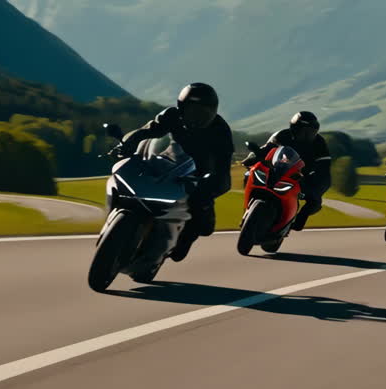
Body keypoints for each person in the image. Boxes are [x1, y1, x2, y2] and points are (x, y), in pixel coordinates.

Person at [118, 82, 234, 261]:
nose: (197, 117)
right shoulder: (171, 115)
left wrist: (212, 185)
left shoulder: (221, 130)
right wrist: (127, 144)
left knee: (204, 224)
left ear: (213, 112)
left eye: (203, 112)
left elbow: (223, 166)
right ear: (181, 108)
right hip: (169, 162)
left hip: (199, 175)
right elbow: (147, 131)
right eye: (192, 110)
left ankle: (182, 239)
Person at [243, 111, 332, 231]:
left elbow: (324, 167)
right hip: (276, 169)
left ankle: (300, 219)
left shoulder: (319, 143)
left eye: (310, 132)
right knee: (249, 174)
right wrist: (253, 156)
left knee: (315, 200)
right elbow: (266, 149)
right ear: (294, 128)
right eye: (303, 131)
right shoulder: (282, 135)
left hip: (301, 176)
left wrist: (317, 184)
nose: (306, 135)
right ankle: (248, 208)